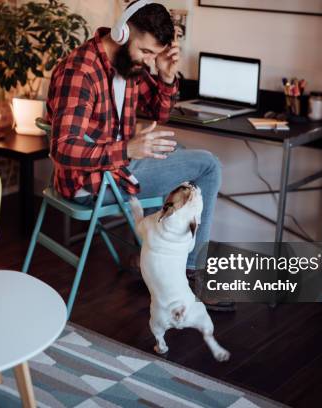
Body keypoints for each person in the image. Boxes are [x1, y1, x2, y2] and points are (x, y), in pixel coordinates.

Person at [46, 1, 230, 310]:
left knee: (178, 154)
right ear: (121, 33)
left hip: (117, 169)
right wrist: (127, 149)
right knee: (208, 166)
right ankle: (190, 271)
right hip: (91, 184)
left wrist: (167, 77)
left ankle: (154, 257)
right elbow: (62, 148)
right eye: (146, 52)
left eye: (154, 55)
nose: (148, 60)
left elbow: (159, 112)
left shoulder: (127, 64)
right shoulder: (81, 71)